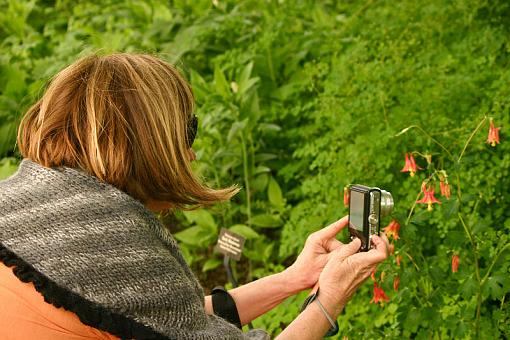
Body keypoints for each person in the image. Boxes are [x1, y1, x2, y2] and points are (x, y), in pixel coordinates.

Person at [0, 53, 388, 339]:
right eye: (187, 132)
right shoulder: (119, 243)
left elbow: (169, 318)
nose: (191, 153)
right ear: (149, 144)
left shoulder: (19, 199)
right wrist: (330, 298)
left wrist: (295, 279)